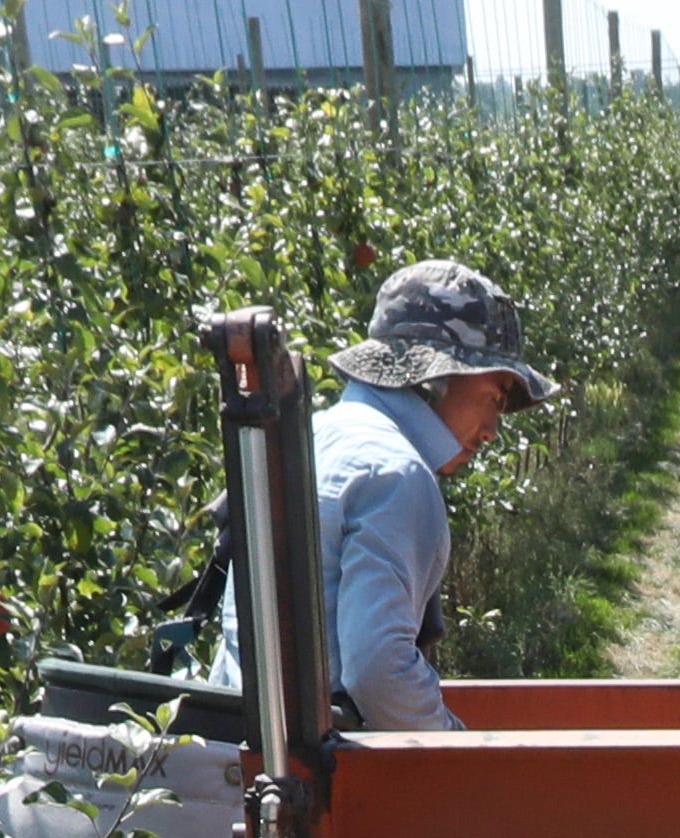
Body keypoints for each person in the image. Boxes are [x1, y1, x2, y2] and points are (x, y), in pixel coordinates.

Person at [228, 260, 558, 734]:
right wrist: (458, 753)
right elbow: (378, 670)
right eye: (495, 398)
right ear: (434, 379)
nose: (492, 431)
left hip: (238, 748)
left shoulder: (313, 437)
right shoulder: (399, 474)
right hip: (322, 781)